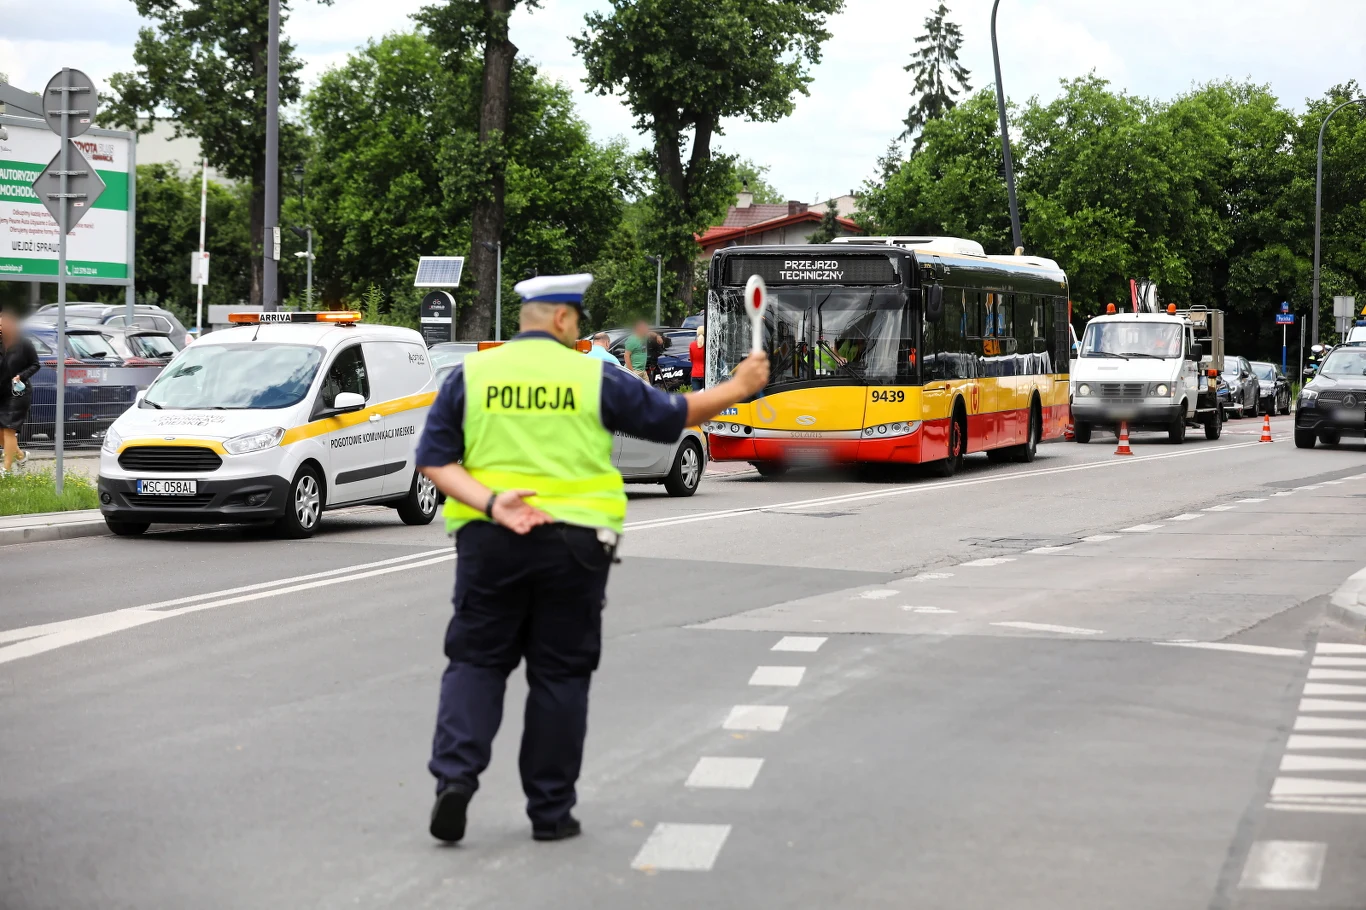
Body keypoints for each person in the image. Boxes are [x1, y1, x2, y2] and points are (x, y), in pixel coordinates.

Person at [416, 274, 768, 845]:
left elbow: (434, 460)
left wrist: (494, 503)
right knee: (560, 675)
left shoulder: (472, 376)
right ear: (561, 318)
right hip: (574, 546)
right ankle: (550, 811)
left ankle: (454, 780)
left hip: (490, 540)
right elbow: (672, 416)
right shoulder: (592, 376)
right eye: (576, 321)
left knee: (476, 663)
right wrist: (739, 386)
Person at [0, 305, 39, 476]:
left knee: (9, 429)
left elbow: (35, 364)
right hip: (1, 392)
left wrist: (21, 376)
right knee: (1, 432)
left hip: (17, 392)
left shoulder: (24, 343)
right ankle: (21, 457)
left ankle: (6, 469)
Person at [689, 326, 706, 391]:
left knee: (696, 395)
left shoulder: (692, 345)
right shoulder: (708, 345)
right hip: (705, 374)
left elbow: (692, 360)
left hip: (695, 373)